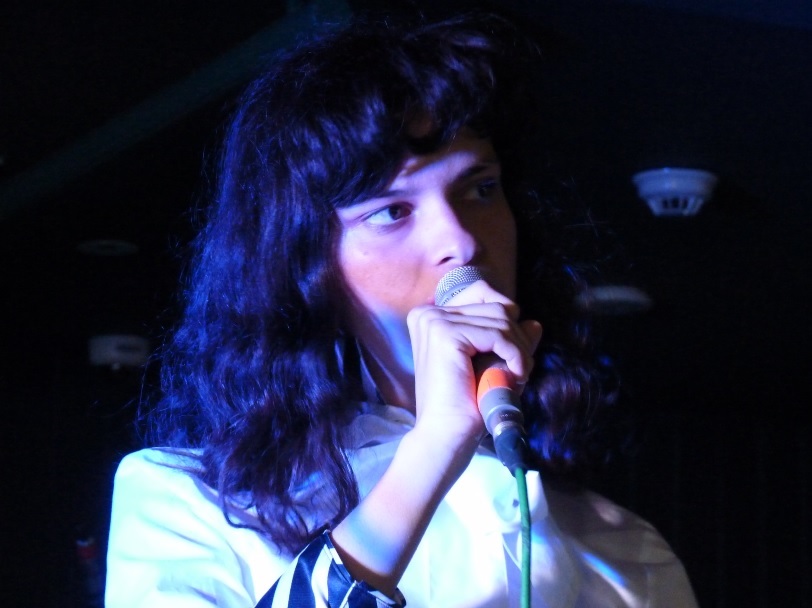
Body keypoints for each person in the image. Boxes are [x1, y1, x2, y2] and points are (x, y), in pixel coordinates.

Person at [105, 11, 697, 607]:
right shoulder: (187, 505)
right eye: (391, 211)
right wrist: (433, 449)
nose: (460, 242)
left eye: (481, 189)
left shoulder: (624, 553)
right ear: (306, 263)